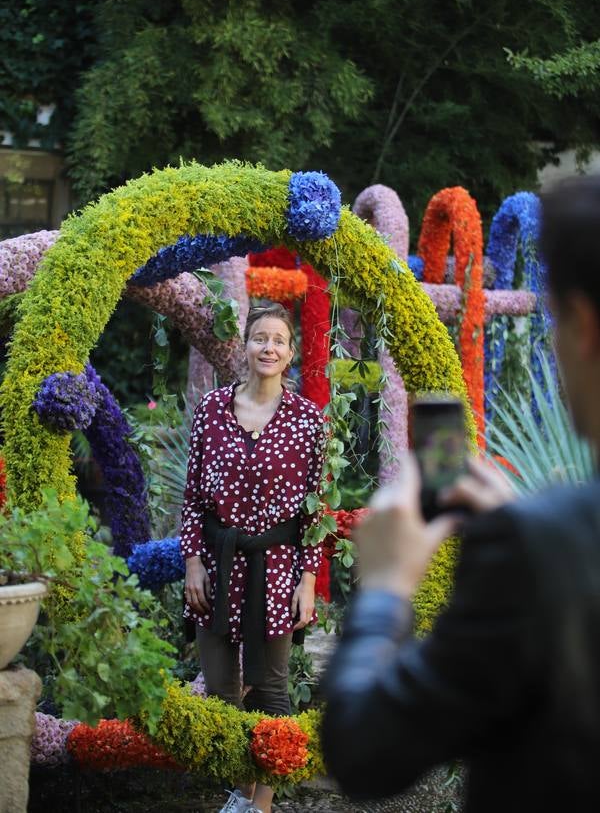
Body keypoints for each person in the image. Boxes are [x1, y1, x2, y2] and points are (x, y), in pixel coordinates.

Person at [322, 175, 600, 812]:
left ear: (582, 324)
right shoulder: (543, 539)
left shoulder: (539, 547)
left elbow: (365, 752)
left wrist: (387, 588)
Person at [181, 301, 325, 813]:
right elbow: (194, 495)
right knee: (222, 692)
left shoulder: (309, 420)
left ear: (291, 352)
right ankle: (238, 793)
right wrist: (193, 562)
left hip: (277, 568)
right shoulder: (212, 411)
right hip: (217, 567)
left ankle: (261, 803)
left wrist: (307, 579)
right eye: (259, 337)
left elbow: (315, 508)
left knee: (271, 689)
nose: (268, 347)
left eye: (278, 340)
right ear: (244, 346)